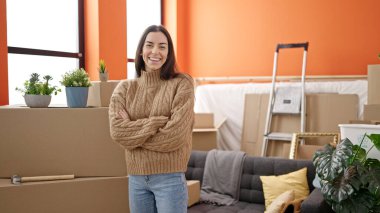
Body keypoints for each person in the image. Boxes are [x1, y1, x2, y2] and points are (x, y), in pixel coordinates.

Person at [109, 25, 195, 213]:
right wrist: (156, 123)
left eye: (162, 46)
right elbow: (118, 133)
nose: (155, 52)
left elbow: (175, 136)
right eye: (150, 45)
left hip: (170, 178)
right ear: (141, 51)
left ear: (169, 52)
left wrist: (133, 130)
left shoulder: (182, 84)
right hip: (136, 179)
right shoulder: (124, 89)